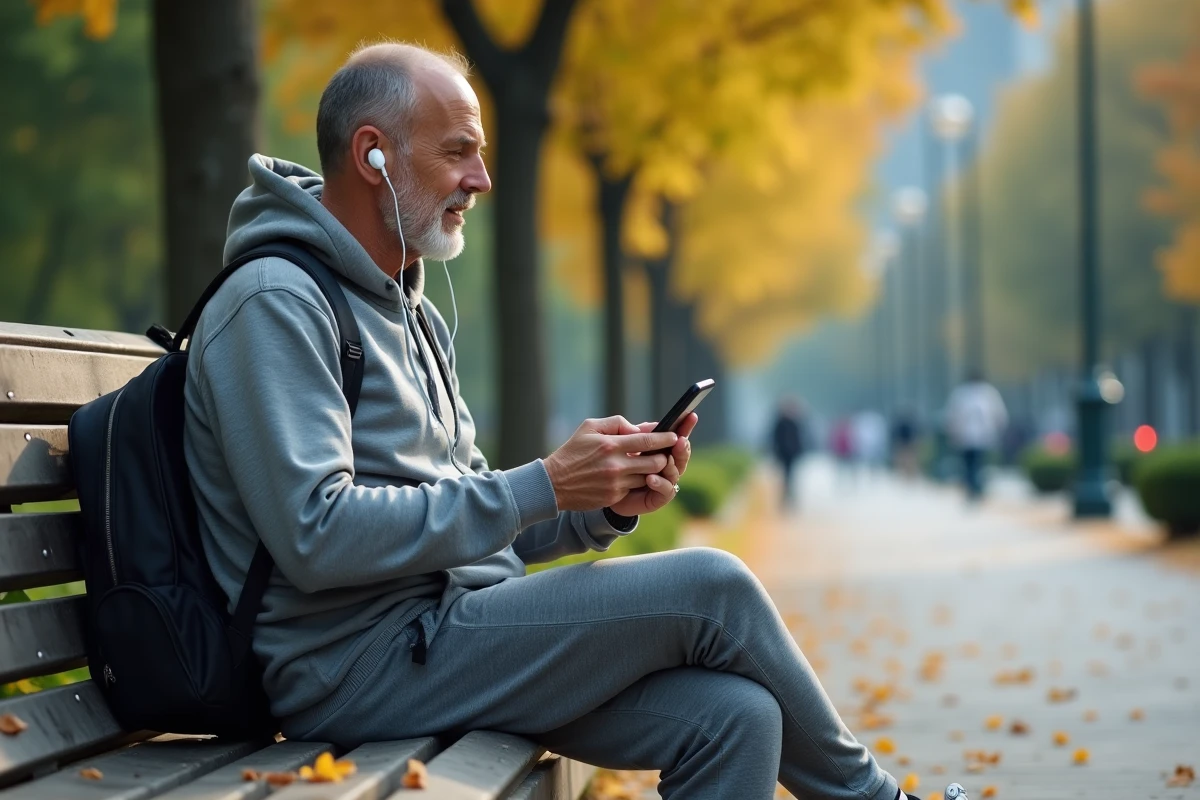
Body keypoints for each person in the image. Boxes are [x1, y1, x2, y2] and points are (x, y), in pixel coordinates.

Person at [185, 42, 951, 800]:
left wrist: (596, 506)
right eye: (457, 152)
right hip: (357, 668)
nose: (481, 180)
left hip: (449, 634)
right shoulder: (275, 301)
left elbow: (469, 517)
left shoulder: (408, 307)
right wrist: (546, 483)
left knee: (737, 718)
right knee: (712, 585)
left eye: (480, 155)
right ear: (372, 154)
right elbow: (316, 534)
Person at [945, 370, 1009, 502]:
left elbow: (998, 414)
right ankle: (974, 489)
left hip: (979, 435)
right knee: (972, 464)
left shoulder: (984, 393)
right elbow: (954, 415)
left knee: (975, 464)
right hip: (969, 436)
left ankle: (974, 488)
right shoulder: (969, 393)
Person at [770, 397, 806, 508]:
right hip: (783, 453)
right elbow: (775, 439)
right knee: (785, 475)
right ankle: (785, 496)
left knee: (790, 475)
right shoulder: (780, 423)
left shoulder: (795, 422)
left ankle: (789, 495)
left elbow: (799, 438)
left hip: (792, 454)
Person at [890, 408, 920, 479]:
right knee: (906, 458)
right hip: (905, 443)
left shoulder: (906, 424)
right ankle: (905, 473)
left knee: (907, 458)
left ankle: (907, 473)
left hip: (905, 443)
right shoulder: (908, 424)